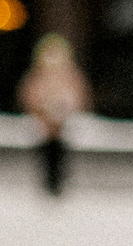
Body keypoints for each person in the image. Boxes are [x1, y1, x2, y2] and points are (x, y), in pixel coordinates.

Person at [18, 32, 92, 197]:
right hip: (45, 126)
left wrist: (66, 108)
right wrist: (41, 109)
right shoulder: (39, 76)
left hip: (63, 126)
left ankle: (60, 182)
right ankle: (48, 183)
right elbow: (30, 95)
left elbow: (79, 95)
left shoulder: (69, 76)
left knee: (61, 153)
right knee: (46, 154)